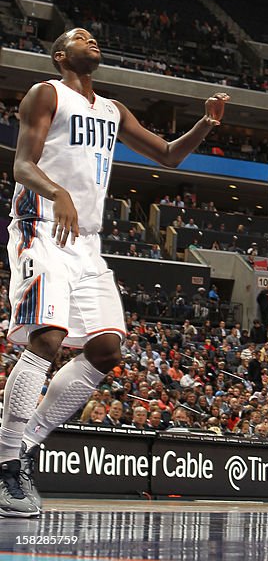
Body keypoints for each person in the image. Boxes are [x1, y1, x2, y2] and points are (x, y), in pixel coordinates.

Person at [0, 27, 230, 516]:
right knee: (49, 335)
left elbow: (167, 154)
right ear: (62, 55)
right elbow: (21, 164)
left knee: (106, 349)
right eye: (80, 37)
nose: (93, 39)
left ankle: (24, 449)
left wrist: (205, 125)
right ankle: (4, 466)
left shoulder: (112, 110)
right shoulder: (47, 93)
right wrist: (56, 192)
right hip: (41, 227)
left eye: (94, 36)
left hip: (87, 242)